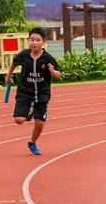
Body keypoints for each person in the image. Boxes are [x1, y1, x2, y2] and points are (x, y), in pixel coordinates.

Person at [5, 27, 63, 155]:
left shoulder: (47, 58)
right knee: (18, 120)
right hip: (25, 92)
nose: (34, 43)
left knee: (40, 123)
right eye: (32, 40)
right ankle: (29, 112)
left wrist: (54, 72)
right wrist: (8, 76)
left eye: (38, 40)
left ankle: (32, 143)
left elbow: (59, 74)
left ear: (43, 42)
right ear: (28, 41)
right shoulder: (24, 55)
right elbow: (14, 62)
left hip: (42, 93)